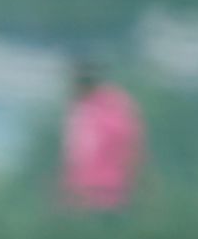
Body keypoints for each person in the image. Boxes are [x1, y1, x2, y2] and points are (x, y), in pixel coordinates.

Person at [57, 60, 144, 212]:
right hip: (83, 190)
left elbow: (129, 145)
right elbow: (73, 153)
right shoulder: (80, 107)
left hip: (109, 189)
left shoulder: (112, 105)